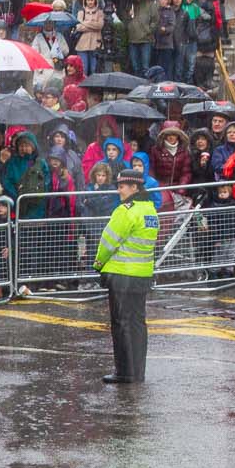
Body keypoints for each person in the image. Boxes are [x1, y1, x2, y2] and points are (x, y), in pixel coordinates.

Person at [94, 164, 157, 383]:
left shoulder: (126, 211)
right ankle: (137, 371)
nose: (119, 190)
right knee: (138, 324)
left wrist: (98, 264)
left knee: (121, 325)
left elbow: (108, 241)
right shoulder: (150, 210)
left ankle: (125, 372)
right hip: (141, 275)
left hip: (121, 275)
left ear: (135, 187)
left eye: (123, 186)